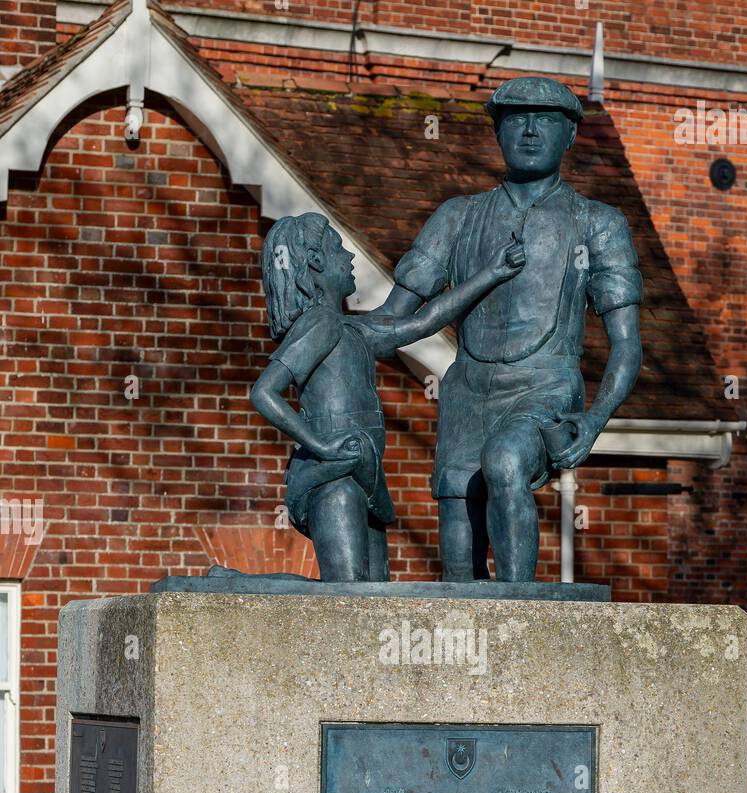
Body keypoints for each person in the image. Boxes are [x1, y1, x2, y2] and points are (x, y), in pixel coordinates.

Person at [373, 75, 644, 582]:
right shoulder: (457, 217)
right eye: (517, 120)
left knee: (504, 461)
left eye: (546, 121)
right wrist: (326, 329)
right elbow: (392, 318)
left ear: (569, 136)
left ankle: (522, 616)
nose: (530, 131)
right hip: (468, 387)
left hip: (546, 385)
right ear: (498, 133)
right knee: (456, 500)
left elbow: (626, 344)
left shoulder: (598, 223)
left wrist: (595, 417)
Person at [251, 211, 526, 581]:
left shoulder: (353, 328)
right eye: (338, 249)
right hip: (332, 478)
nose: (350, 259)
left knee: (374, 598)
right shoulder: (320, 324)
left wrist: (492, 274)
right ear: (316, 262)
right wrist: (320, 445)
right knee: (347, 598)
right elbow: (264, 392)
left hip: (366, 474)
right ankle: (233, 583)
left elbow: (423, 322)